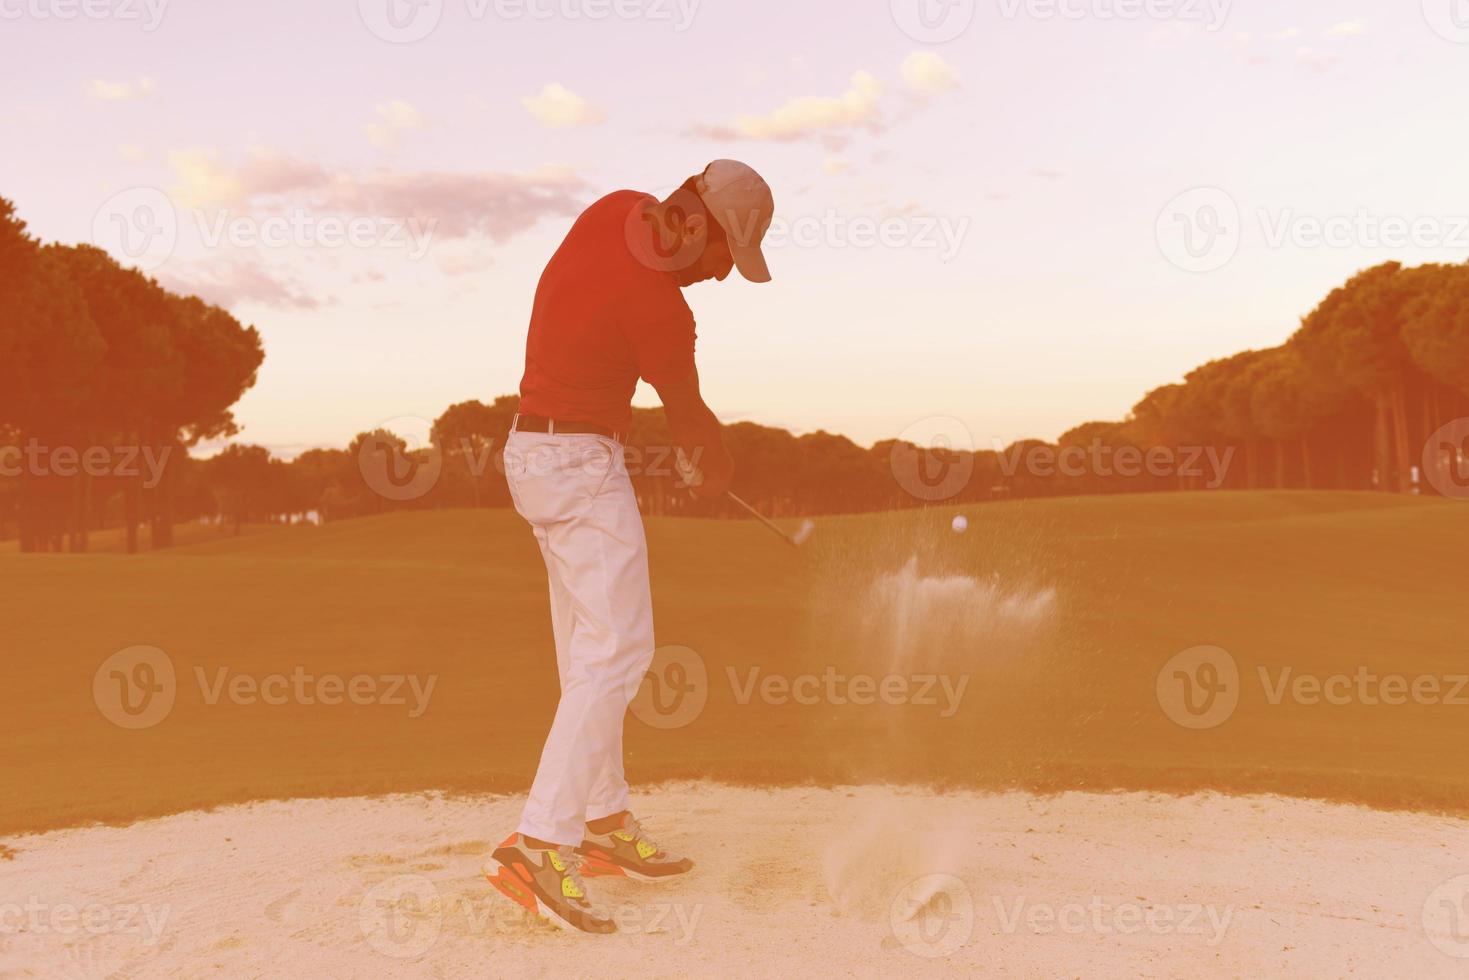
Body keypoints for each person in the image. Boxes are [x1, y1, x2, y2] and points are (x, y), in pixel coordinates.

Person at [483, 160, 775, 934]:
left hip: (532, 454)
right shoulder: (661, 307)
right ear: (695, 222)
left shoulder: (612, 208)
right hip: (579, 469)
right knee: (618, 650)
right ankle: (542, 842)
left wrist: (687, 436)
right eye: (722, 256)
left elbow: (613, 331)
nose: (716, 277)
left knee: (588, 646)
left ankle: (603, 818)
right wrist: (709, 467)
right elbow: (692, 423)